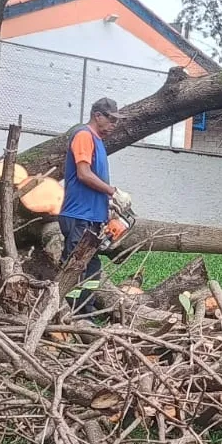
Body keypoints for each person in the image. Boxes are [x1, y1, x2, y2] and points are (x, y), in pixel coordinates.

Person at [55, 97, 131, 313]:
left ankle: (83, 312)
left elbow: (94, 179)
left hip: (91, 216)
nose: (114, 125)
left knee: (92, 267)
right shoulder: (84, 136)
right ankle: (67, 313)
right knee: (75, 267)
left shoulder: (97, 141)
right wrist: (112, 191)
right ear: (97, 116)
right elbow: (83, 174)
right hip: (79, 215)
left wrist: (108, 205)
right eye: (111, 120)